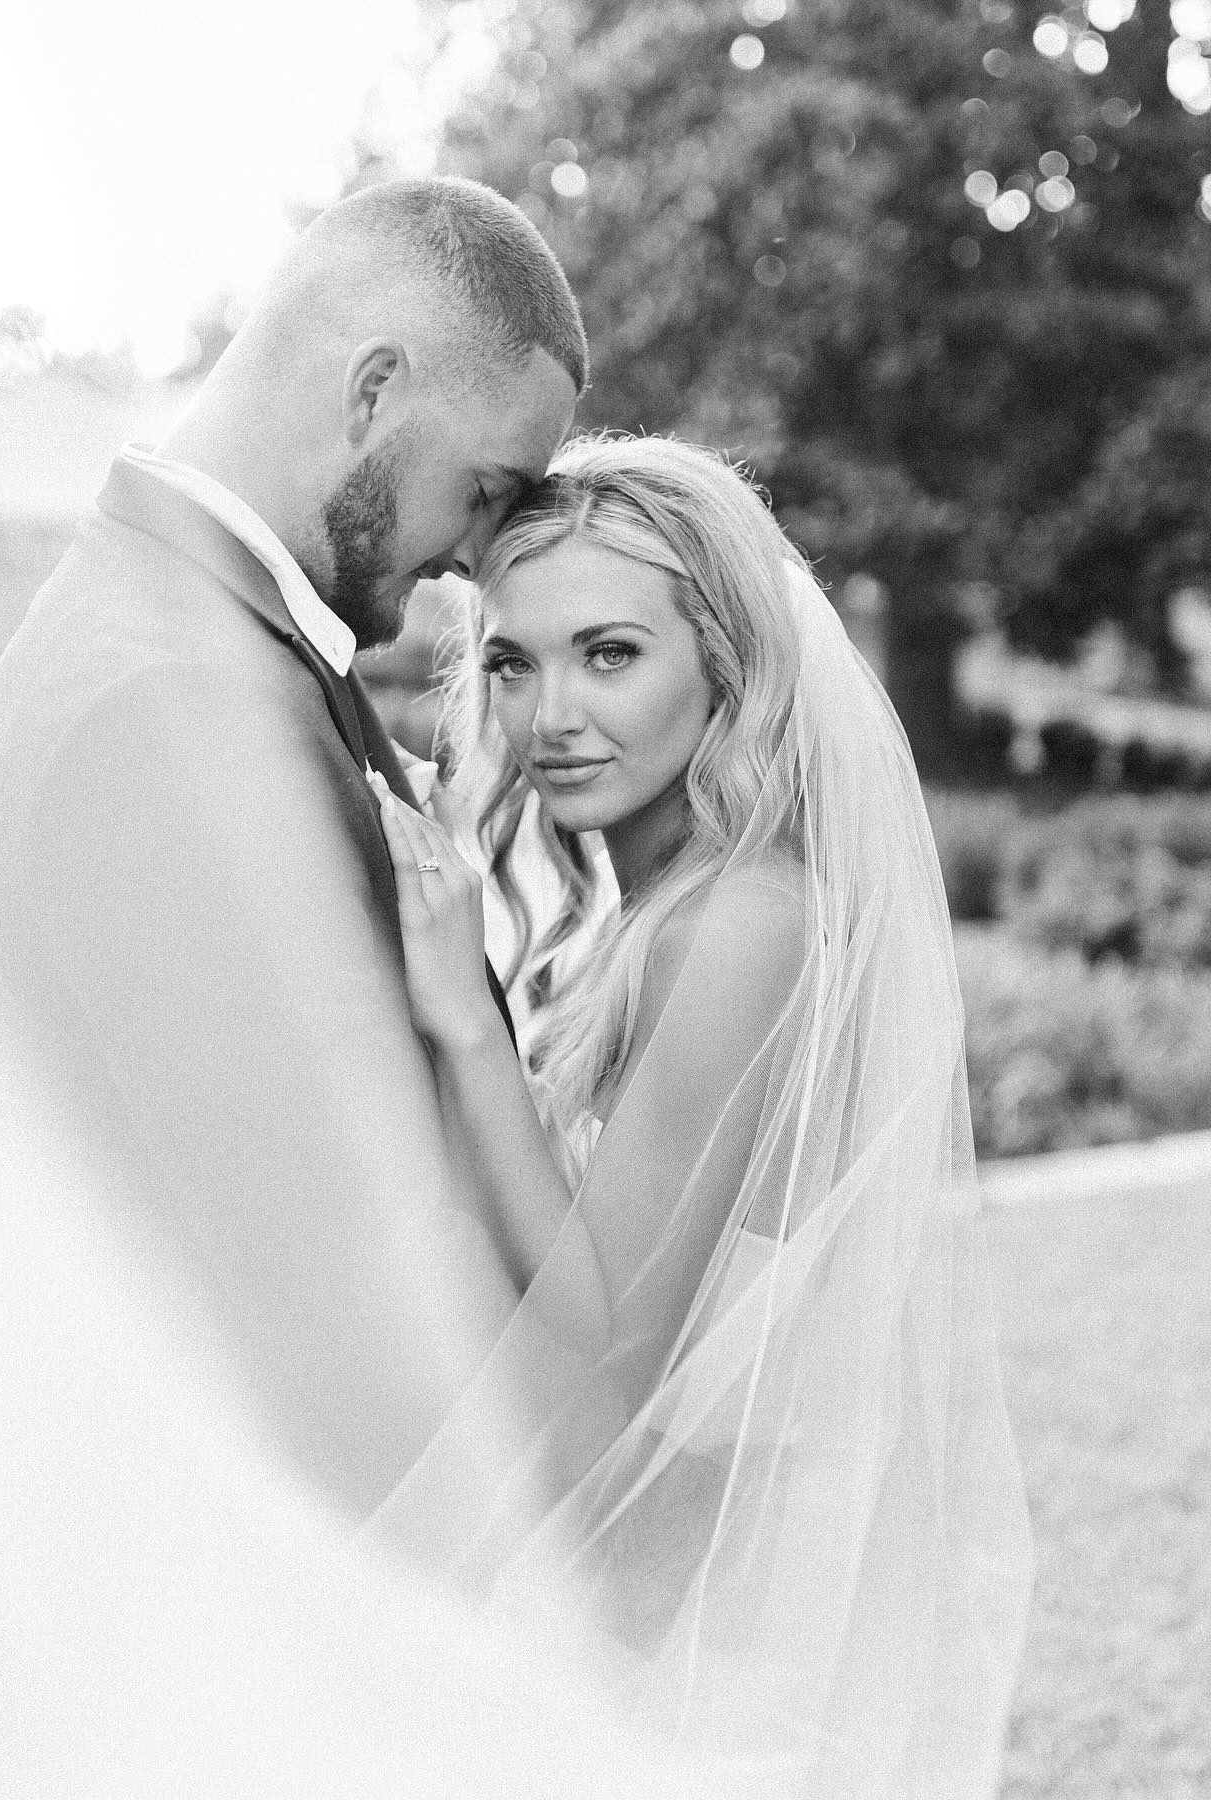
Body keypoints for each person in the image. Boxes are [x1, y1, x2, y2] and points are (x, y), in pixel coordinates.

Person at [369, 435, 1033, 1796]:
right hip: (657, 1591)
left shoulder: (739, 924)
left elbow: (611, 1343)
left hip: (698, 1634)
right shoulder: (669, 905)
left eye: (609, 654)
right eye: (513, 659)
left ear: (724, 668)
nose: (549, 713)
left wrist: (459, 1019)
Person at [0, 178, 584, 1516]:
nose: (479, 559)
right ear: (371, 392)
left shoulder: (214, 642)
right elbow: (316, 1264)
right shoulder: (167, 703)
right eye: (485, 490)